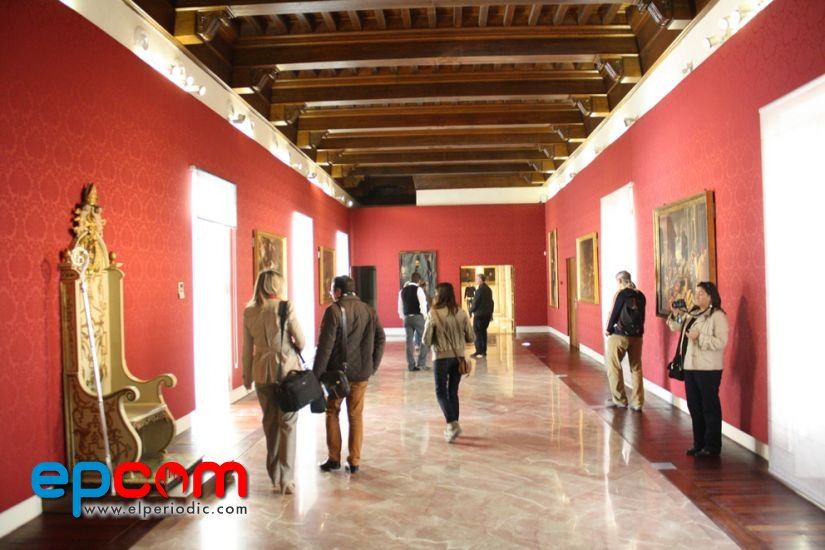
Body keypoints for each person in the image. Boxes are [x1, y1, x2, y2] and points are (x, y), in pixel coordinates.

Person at [314, 275, 386, 474]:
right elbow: (381, 338)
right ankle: (354, 461)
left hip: (337, 375)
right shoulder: (368, 310)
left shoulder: (334, 311)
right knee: (355, 415)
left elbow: (325, 347)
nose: (331, 293)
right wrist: (372, 366)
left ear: (338, 291)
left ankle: (334, 458)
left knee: (332, 412)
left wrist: (316, 374)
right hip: (361, 373)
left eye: (332, 290)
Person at [242, 269, 305, 495]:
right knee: (287, 423)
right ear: (277, 285)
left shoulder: (249, 311)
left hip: (261, 372)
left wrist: (247, 376)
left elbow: (247, 348)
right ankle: (286, 479)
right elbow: (302, 341)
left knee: (270, 423)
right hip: (285, 371)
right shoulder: (285, 307)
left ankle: (274, 473)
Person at [667, 281, 729, 458]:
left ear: (711, 297)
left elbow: (721, 342)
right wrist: (676, 313)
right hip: (690, 366)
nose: (697, 295)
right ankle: (699, 443)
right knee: (694, 406)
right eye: (696, 292)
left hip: (708, 368)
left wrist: (699, 337)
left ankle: (712, 446)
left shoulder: (717, 316)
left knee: (709, 407)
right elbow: (676, 326)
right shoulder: (692, 313)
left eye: (701, 293)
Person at [423, 283, 474, 443]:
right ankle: (453, 427)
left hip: (441, 358)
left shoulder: (433, 313)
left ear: (439, 295)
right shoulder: (461, 312)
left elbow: (426, 340)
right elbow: (471, 337)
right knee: (453, 392)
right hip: (458, 357)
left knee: (440, 392)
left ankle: (452, 424)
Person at [604, 271, 647, 412]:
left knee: (614, 366)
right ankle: (638, 402)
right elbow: (642, 317)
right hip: (637, 337)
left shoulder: (621, 294)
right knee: (636, 368)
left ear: (620, 281)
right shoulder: (640, 295)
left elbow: (615, 313)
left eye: (617, 282)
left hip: (620, 336)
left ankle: (620, 400)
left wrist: (609, 329)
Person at [398, 272, 430, 371]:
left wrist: (403, 317)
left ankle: (411, 365)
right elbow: (423, 304)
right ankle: (421, 363)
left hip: (407, 319)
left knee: (409, 342)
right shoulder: (419, 290)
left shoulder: (402, 291)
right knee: (426, 339)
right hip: (418, 317)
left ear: (411, 279)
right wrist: (425, 317)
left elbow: (400, 307)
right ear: (419, 280)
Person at [469, 273, 494, 357]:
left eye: (476, 279)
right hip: (487, 315)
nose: (475, 280)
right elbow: (491, 302)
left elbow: (475, 302)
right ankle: (483, 351)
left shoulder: (480, 290)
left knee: (477, 332)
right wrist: (491, 313)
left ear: (480, 279)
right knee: (483, 332)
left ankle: (478, 350)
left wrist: (470, 311)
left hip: (479, 315)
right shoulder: (489, 289)